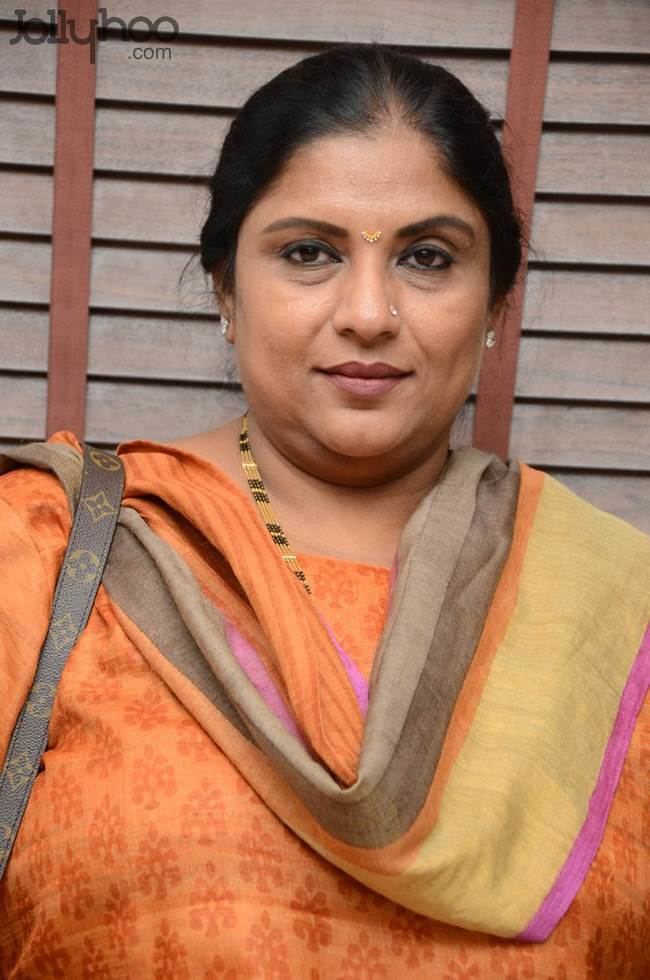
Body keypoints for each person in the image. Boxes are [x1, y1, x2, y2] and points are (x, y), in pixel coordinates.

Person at [0, 42, 648, 979]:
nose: (370, 311)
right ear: (225, 285)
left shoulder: (612, 611)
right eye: (310, 252)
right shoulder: (47, 556)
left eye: (428, 257)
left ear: (498, 299)